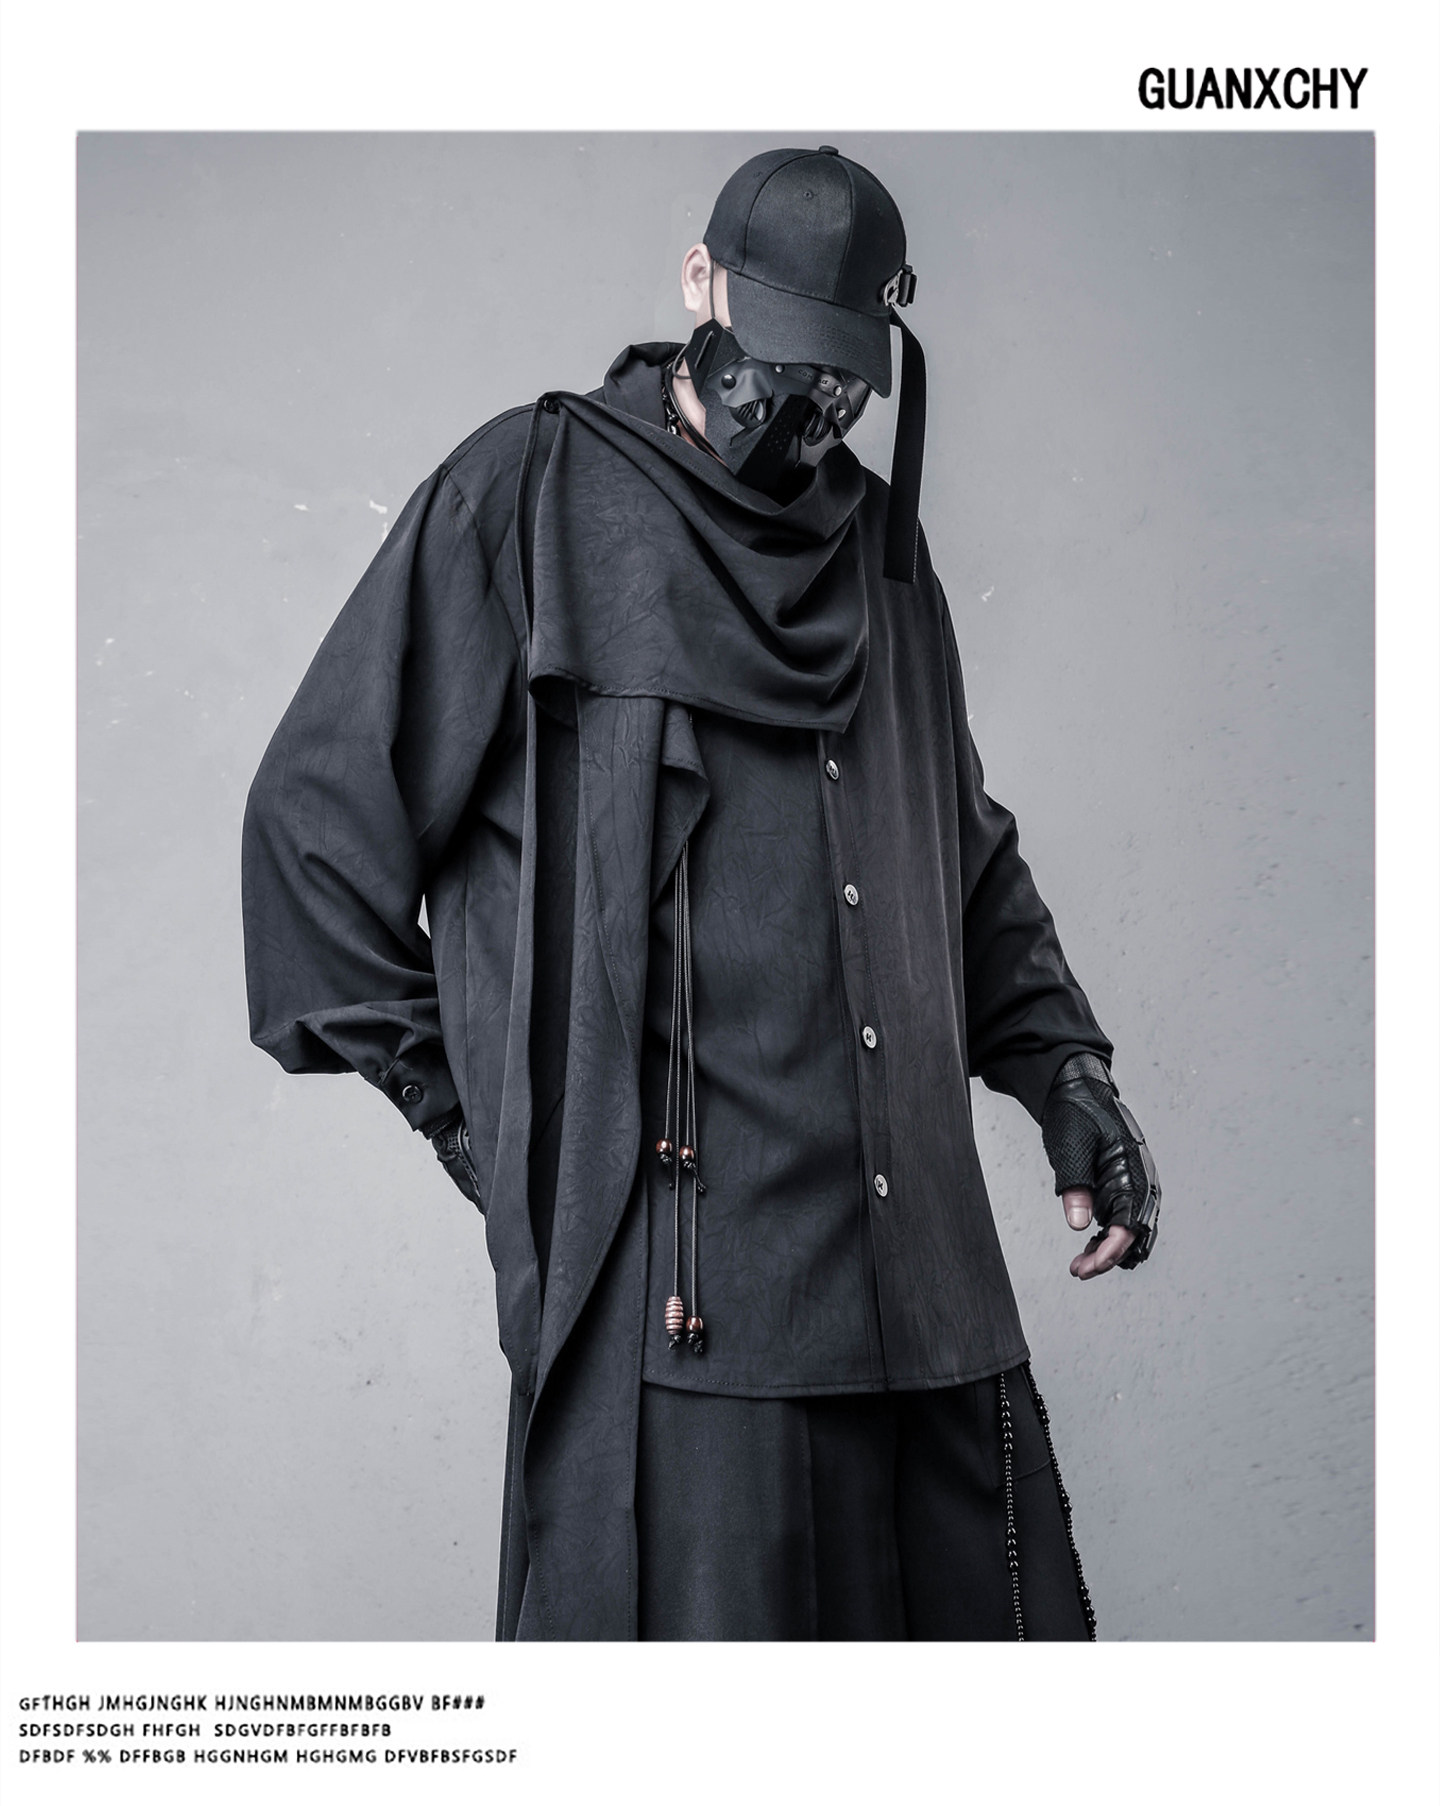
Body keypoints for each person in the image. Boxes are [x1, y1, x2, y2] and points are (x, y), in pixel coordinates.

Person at [241, 145, 1161, 1642]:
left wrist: (1068, 1068)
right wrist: (481, 1124)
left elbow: (959, 843)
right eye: (782, 357)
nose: (807, 404)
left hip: (926, 1310)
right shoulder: (528, 500)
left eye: (844, 376)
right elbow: (313, 828)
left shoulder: (883, 552)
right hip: (693, 1333)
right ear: (699, 286)